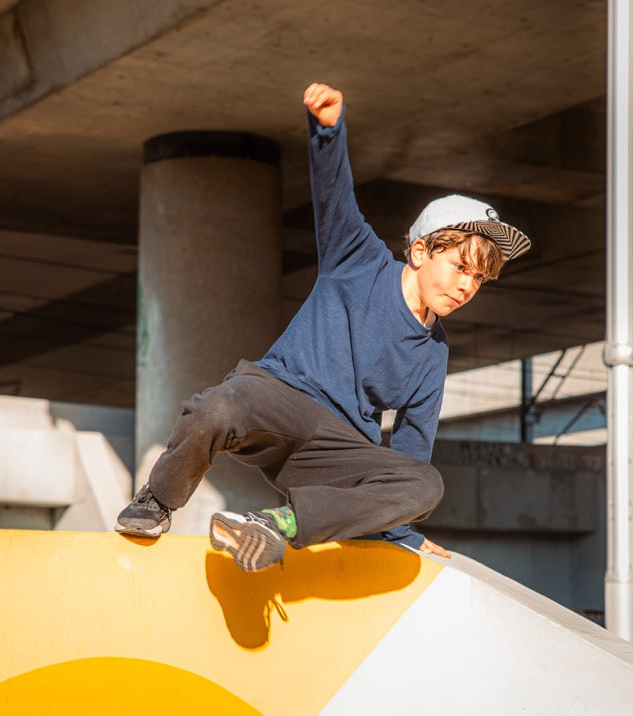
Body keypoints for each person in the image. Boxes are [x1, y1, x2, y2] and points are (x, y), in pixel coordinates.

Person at [115, 82, 531, 571]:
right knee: (217, 407)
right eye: (461, 267)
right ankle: (157, 502)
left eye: (479, 279)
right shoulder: (357, 260)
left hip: (337, 448)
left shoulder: (434, 351)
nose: (467, 286)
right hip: (276, 397)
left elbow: (412, 448)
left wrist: (401, 532)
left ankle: (278, 525)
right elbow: (334, 196)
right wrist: (329, 130)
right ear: (421, 251)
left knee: (425, 484)